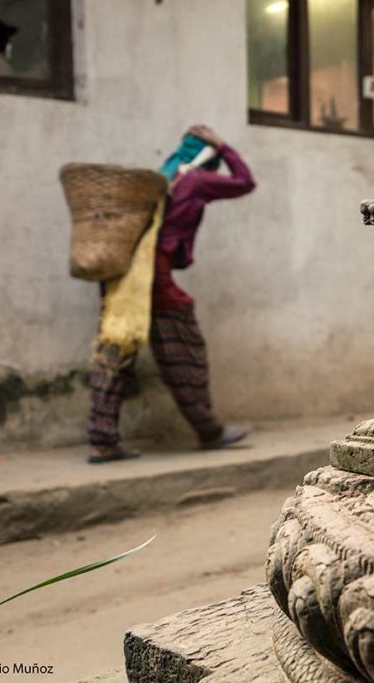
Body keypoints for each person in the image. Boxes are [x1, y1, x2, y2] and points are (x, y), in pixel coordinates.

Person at [87, 125, 256, 463]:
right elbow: (244, 181)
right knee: (183, 345)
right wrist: (224, 147)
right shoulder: (194, 180)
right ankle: (208, 430)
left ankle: (102, 440)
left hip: (122, 277)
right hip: (153, 275)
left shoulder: (162, 177)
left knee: (116, 351)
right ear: (206, 154)